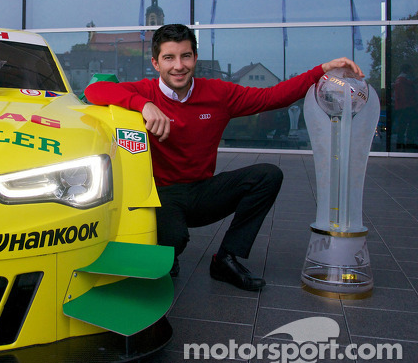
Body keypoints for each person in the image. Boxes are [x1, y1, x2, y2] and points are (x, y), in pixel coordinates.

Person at [84, 24, 363, 291]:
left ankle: (226, 259)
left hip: (203, 190)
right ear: (156, 63)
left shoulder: (218, 93)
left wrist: (322, 70)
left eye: (185, 56)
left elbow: (273, 97)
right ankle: (168, 253)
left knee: (268, 175)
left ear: (195, 57)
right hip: (162, 195)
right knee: (174, 240)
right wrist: (143, 104)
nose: (178, 65)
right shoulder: (145, 91)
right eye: (169, 58)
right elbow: (92, 91)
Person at [393, 63, 417, 149]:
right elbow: (407, 95)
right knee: (410, 125)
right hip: (407, 107)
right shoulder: (404, 81)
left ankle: (401, 143)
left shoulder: (399, 80)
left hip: (401, 107)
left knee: (402, 125)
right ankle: (408, 142)